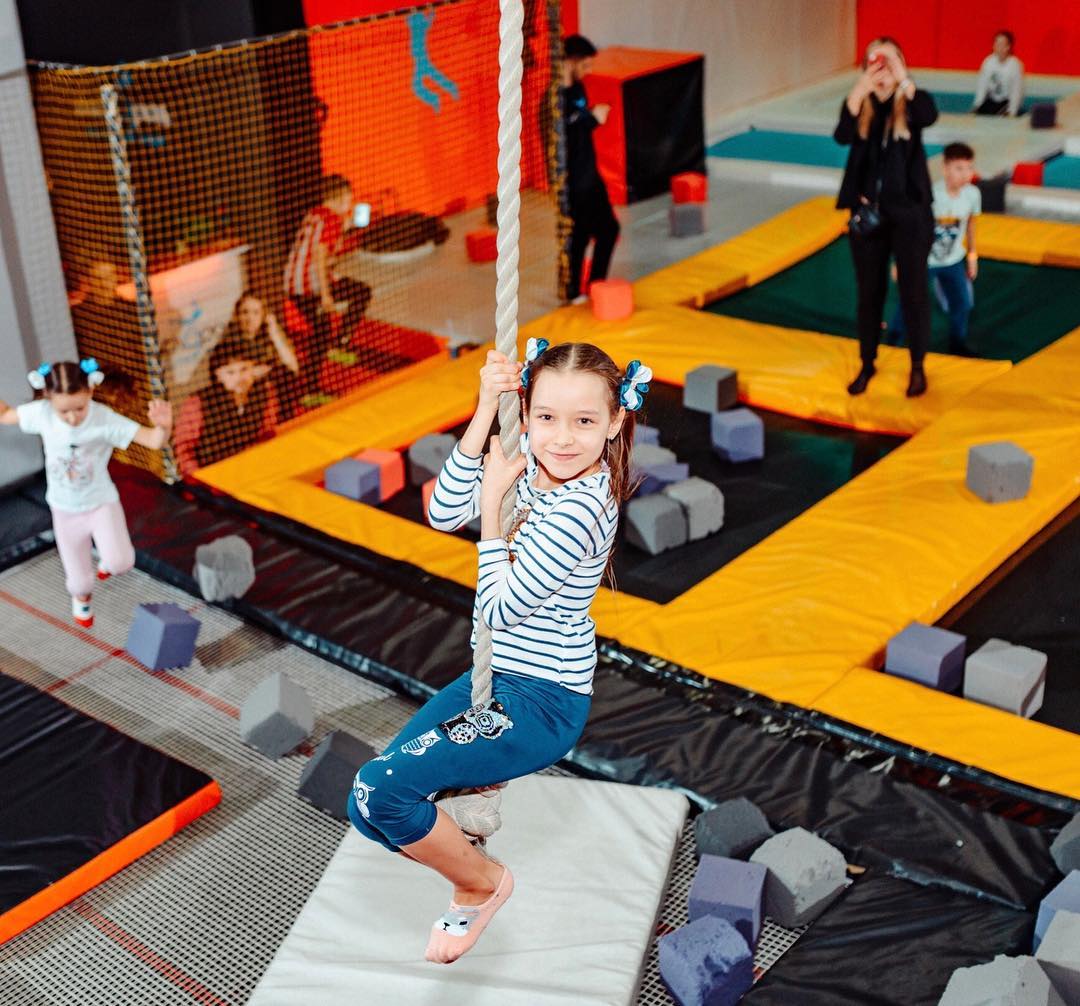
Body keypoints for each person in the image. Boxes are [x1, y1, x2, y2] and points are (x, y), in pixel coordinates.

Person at [346, 340, 650, 964]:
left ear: (615, 421)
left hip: (541, 702)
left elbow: (500, 610)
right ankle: (465, 840)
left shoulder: (583, 506)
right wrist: (486, 408)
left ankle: (482, 884)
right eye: (547, 417)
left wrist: (491, 506)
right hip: (494, 681)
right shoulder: (530, 458)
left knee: (384, 790)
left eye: (584, 421)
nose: (561, 438)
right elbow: (440, 512)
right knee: (365, 806)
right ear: (526, 412)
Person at [0, 359, 172, 628]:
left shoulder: (103, 418)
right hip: (64, 510)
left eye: (79, 408)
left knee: (120, 563)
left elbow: (153, 440)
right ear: (48, 397)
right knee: (79, 583)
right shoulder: (41, 413)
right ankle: (82, 598)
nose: (72, 418)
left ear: (91, 391)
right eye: (64, 411)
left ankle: (106, 561)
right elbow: (5, 415)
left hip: (100, 504)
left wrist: (163, 427)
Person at [835, 37, 938, 397]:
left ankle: (917, 367)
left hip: (910, 216)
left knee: (913, 292)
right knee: (869, 294)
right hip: (869, 217)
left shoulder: (911, 102)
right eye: (875, 63)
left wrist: (903, 79)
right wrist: (860, 89)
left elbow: (928, 115)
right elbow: (841, 135)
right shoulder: (860, 105)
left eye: (889, 62)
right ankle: (867, 363)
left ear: (902, 65)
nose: (882, 70)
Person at [283, 174, 373, 400]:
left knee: (359, 292)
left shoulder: (316, 214)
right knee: (322, 333)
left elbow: (322, 252)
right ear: (341, 197)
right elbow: (319, 256)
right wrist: (325, 295)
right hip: (308, 288)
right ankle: (310, 389)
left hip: (295, 282)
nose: (351, 203)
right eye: (349, 198)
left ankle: (337, 346)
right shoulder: (331, 219)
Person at [888, 142, 981, 356]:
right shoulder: (930, 195)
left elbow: (971, 225)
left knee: (962, 303)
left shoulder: (973, 194)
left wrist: (972, 256)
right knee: (910, 302)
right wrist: (898, 261)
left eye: (969, 168)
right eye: (959, 168)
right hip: (924, 261)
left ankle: (957, 344)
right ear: (945, 168)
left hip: (954, 260)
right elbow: (908, 229)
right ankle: (892, 342)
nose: (966, 174)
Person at [560, 34, 620, 303]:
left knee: (599, 231)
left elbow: (580, 122)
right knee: (587, 235)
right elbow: (564, 138)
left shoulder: (578, 89)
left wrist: (593, 116)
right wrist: (590, 119)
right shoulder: (553, 100)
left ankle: (590, 288)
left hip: (590, 176)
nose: (588, 70)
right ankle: (576, 292)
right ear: (570, 62)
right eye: (584, 64)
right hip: (573, 182)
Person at [173, 334, 278, 476]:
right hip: (210, 474)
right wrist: (199, 478)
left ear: (253, 368)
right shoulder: (197, 403)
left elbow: (267, 435)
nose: (239, 378)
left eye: (244, 369)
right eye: (230, 372)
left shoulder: (266, 392)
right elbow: (183, 449)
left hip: (251, 470)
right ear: (218, 375)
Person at [223, 291, 301, 419]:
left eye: (256, 312)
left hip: (278, 405)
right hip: (250, 408)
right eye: (245, 312)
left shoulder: (267, 341)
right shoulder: (228, 345)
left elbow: (293, 368)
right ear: (237, 316)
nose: (250, 318)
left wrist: (274, 333)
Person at [974, 31, 1023, 117]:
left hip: (1006, 102)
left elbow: (1016, 91)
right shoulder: (988, 62)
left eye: (1001, 44)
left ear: (1008, 47)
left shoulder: (1015, 65)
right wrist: (977, 106)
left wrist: (1012, 112)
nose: (998, 47)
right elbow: (982, 86)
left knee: (1001, 117)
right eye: (996, 44)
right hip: (991, 100)